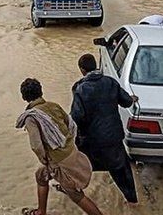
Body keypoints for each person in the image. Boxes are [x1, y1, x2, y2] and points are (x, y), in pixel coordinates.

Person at [16, 78, 103, 215]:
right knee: (41, 175)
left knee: (76, 195)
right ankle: (41, 211)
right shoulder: (53, 106)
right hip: (72, 151)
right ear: (41, 91)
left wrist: (45, 160)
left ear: (24, 97)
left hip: (60, 162)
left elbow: (36, 145)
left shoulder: (31, 117)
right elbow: (70, 124)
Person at [71, 54, 139, 204]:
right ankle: (133, 202)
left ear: (82, 70)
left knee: (82, 166)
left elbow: (77, 117)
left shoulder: (80, 89)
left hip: (93, 140)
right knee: (121, 171)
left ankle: (76, 196)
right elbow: (126, 102)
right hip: (114, 137)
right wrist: (131, 98)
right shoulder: (110, 82)